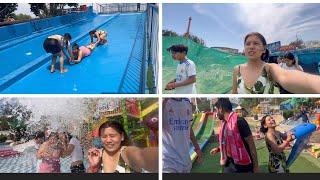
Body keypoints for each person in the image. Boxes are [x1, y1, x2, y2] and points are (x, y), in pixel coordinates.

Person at [232, 32, 320, 94]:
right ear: (244, 48)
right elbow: (234, 92)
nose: (251, 46)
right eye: (248, 44)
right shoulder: (237, 69)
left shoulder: (270, 68)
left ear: (263, 49)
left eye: (256, 43)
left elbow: (286, 76)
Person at [87, 121, 158, 173]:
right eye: (104, 136)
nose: (108, 140)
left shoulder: (126, 152)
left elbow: (141, 155)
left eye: (112, 136)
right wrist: (94, 167)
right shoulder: (98, 155)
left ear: (122, 136)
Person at [210, 98, 259, 173]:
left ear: (220, 109)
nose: (216, 113)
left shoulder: (240, 121)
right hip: (229, 163)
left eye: (216, 110)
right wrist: (219, 148)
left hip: (244, 165)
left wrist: (256, 166)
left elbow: (251, 145)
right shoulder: (225, 124)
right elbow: (229, 142)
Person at [162, 98, 203, 173]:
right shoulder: (163, 101)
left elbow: (189, 127)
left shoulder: (187, 102)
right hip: (168, 161)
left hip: (185, 160)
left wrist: (197, 148)